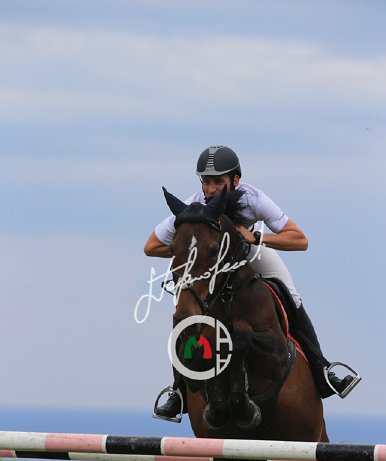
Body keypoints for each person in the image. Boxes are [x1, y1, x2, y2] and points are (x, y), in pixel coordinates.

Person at [144, 145, 360, 420]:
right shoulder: (193, 206)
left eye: (217, 182)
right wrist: (193, 253)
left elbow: (300, 239)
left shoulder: (253, 199)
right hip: (213, 262)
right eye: (206, 182)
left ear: (235, 179)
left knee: (290, 295)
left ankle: (322, 369)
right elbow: (151, 246)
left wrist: (258, 238)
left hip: (251, 252)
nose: (210, 189)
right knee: (184, 308)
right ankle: (178, 390)